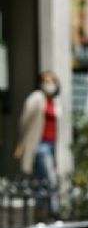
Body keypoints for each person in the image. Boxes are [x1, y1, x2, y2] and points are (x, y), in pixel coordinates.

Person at [14, 71, 62, 214]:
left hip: (52, 143)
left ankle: (39, 209)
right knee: (50, 178)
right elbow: (24, 121)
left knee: (42, 179)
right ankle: (54, 211)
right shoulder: (36, 98)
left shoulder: (55, 101)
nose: (49, 84)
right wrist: (25, 139)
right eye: (46, 81)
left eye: (52, 81)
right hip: (40, 145)